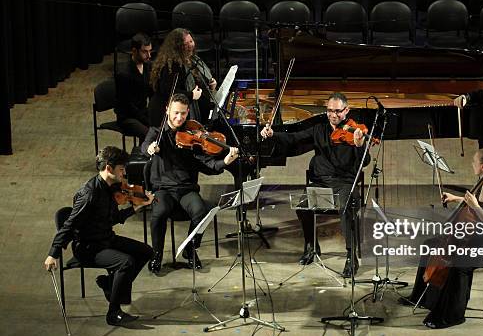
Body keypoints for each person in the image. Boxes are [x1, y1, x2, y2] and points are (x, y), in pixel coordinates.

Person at [260, 92, 369, 278]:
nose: (333, 115)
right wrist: (272, 134)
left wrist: (359, 146)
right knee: (302, 206)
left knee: (345, 208)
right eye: (329, 111)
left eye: (338, 111)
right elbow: (294, 138)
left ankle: (351, 256)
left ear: (347, 111)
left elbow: (364, 162)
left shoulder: (355, 132)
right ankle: (311, 246)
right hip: (320, 182)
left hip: (344, 183)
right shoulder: (319, 129)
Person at [43, 146, 155, 326]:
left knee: (146, 252)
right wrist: (53, 253)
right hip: (88, 247)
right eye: (121, 169)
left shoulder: (112, 187)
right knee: (125, 262)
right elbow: (69, 225)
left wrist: (136, 207)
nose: (124, 173)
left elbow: (112, 219)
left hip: (106, 238)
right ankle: (114, 312)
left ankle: (111, 286)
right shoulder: (89, 194)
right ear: (109, 168)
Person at [402, 148, 483, 329]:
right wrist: (455, 198)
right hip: (476, 237)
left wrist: (476, 207)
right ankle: (422, 298)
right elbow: (473, 204)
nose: (472, 165)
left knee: (459, 263)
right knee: (429, 245)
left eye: (474, 162)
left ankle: (453, 315)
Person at [141, 93, 239, 274]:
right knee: (159, 212)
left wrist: (225, 161)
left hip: (186, 189)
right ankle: (157, 255)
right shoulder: (156, 133)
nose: (179, 118)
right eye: (176, 113)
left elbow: (207, 164)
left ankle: (190, 249)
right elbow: (145, 147)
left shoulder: (193, 133)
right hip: (164, 189)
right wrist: (150, 148)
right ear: (167, 110)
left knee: (202, 211)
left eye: (184, 114)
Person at [149, 28, 217, 128]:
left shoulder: (192, 59)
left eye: (191, 41)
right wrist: (191, 95)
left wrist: (209, 84)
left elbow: (196, 81)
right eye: (186, 44)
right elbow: (168, 91)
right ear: (177, 47)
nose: (191, 46)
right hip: (168, 114)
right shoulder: (172, 65)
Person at [114, 33, 153, 143]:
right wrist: (147, 120)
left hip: (142, 112)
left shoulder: (147, 66)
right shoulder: (124, 73)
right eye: (145, 51)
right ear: (134, 51)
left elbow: (151, 92)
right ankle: (143, 157)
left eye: (150, 51)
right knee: (150, 135)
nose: (149, 55)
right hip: (127, 117)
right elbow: (128, 105)